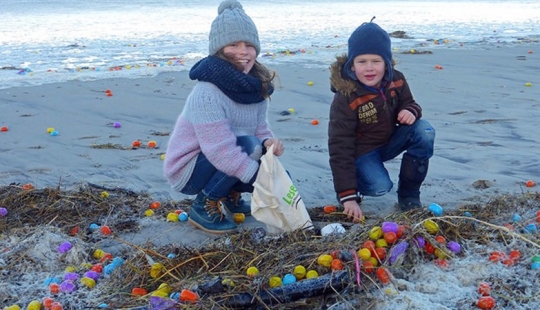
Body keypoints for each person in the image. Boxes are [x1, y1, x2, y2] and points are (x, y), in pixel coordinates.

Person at [163, 0, 284, 234]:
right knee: (249, 147)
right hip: (189, 169)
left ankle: (230, 194)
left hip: (227, 155)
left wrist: (269, 143)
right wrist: (258, 178)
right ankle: (204, 204)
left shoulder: (255, 87)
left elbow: (259, 129)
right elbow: (220, 150)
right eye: (234, 44)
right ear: (219, 51)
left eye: (249, 45)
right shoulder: (207, 93)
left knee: (266, 158)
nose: (243, 51)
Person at [328, 18, 435, 222]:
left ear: (386, 63)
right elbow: (339, 145)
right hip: (362, 152)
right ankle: (353, 188)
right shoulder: (346, 96)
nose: (369, 68)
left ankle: (409, 195)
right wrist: (347, 195)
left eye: (376, 61)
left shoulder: (397, 79)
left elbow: (411, 103)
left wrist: (410, 111)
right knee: (380, 187)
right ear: (351, 65)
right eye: (362, 62)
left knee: (424, 131)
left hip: (390, 140)